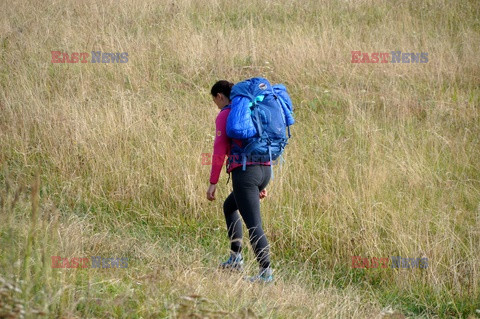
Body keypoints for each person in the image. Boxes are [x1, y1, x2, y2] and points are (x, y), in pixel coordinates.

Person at [206, 80, 273, 283]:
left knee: (254, 225)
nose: (216, 104)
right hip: (265, 169)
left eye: (215, 100)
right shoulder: (251, 110)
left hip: (246, 173)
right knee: (230, 206)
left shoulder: (226, 114)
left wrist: (213, 181)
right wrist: (260, 185)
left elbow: (219, 150)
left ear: (219, 96)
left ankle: (266, 273)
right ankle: (236, 259)